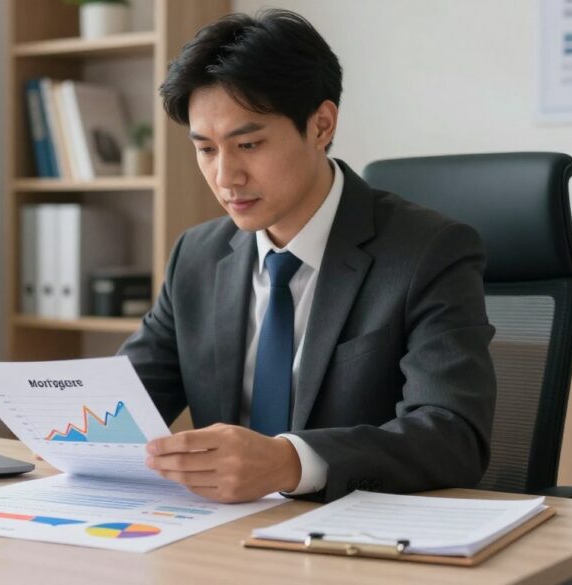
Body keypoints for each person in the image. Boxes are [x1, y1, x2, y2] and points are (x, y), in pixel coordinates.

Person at [119, 9, 496, 503]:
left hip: (355, 532)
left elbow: (452, 436)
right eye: (206, 150)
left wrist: (290, 462)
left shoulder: (429, 252)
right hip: (221, 534)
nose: (226, 177)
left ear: (321, 125)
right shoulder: (197, 255)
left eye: (248, 144)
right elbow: (119, 406)